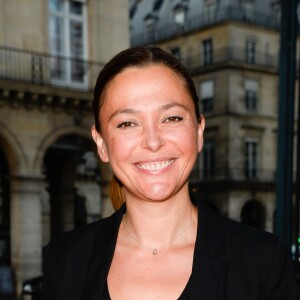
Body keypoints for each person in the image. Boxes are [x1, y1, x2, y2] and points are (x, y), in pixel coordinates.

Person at [41, 45, 298, 300]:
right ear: (101, 144)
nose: (153, 142)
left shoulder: (262, 262)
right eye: (127, 123)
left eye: (172, 118)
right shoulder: (65, 260)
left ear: (199, 132)